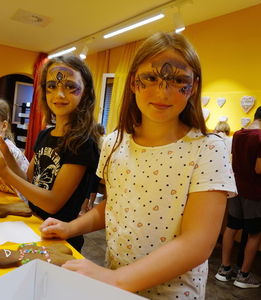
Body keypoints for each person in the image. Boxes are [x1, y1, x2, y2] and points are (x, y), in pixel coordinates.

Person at [39, 32, 237, 299]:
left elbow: (197, 243)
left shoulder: (209, 148)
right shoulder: (114, 142)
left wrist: (116, 280)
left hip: (173, 294)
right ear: (134, 82)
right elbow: (113, 206)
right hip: (118, 284)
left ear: (194, 86)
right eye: (151, 78)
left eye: (178, 80)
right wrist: (70, 227)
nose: (163, 92)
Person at [0, 55, 100, 252]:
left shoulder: (82, 143)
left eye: (70, 87)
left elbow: (53, 203)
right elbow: (28, 180)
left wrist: (4, 172)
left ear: (85, 92)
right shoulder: (45, 135)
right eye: (51, 86)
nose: (59, 94)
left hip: (61, 239)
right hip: (34, 226)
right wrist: (7, 155)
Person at [215, 104, 261, 289]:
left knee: (232, 226)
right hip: (254, 193)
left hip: (236, 188)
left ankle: (224, 270)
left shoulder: (238, 134)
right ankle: (243, 276)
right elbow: (260, 169)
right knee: (254, 233)